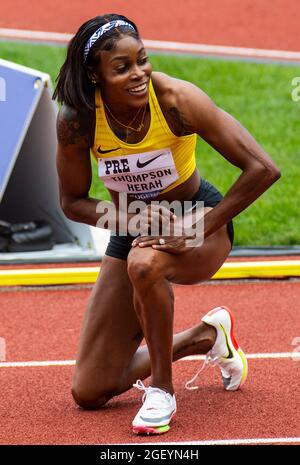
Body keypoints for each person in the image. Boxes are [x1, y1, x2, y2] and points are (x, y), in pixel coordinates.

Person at [53, 13, 281, 435]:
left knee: (145, 263)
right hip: (133, 226)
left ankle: (162, 391)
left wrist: (196, 228)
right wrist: (127, 217)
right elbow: (72, 202)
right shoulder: (78, 119)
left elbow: (263, 169)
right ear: (94, 74)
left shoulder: (176, 100)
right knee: (90, 389)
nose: (139, 74)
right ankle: (204, 337)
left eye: (143, 60)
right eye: (122, 68)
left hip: (197, 217)